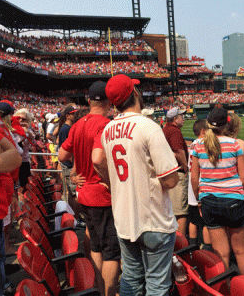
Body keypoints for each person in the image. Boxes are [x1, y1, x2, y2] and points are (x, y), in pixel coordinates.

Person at [91, 74, 180, 296]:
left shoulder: (108, 130)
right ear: (135, 94)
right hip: (153, 218)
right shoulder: (148, 126)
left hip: (124, 218)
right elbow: (170, 179)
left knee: (131, 279)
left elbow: (98, 163)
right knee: (157, 285)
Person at [58, 81, 120, 296]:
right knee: (111, 252)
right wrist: (111, 183)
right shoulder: (104, 124)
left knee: (96, 247)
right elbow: (98, 159)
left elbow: (61, 156)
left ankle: (100, 289)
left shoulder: (77, 124)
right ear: (108, 100)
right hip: (101, 195)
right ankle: (108, 292)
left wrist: (74, 174)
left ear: (88, 100)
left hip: (84, 194)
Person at [190, 107, 244, 277]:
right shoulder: (234, 144)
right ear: (225, 125)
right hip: (234, 200)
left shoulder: (199, 145)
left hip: (209, 201)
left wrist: (199, 201)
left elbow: (194, 179)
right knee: (242, 252)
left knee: (221, 255)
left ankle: (225, 289)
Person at [0, 102, 22, 294]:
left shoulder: (1, 129)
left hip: (3, 188)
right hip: (3, 187)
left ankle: (3, 279)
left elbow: (15, 157)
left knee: (0, 247)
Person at [162, 107, 190, 240]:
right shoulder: (174, 131)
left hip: (167, 173)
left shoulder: (165, 128)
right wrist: (185, 167)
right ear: (175, 119)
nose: (183, 119)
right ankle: (181, 245)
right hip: (177, 173)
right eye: (181, 117)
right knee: (181, 213)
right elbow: (179, 151)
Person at [186, 119, 211, 249]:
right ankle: (207, 251)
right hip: (201, 186)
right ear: (203, 131)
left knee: (193, 220)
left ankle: (192, 248)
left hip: (191, 187)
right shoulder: (204, 144)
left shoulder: (192, 144)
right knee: (206, 222)